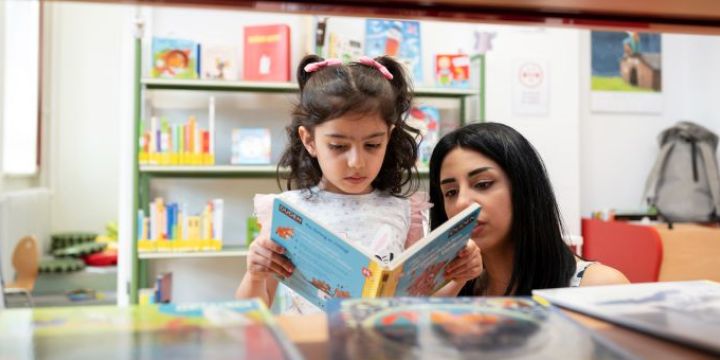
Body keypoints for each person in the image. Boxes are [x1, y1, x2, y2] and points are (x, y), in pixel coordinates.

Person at [235, 55, 482, 313]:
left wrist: (459, 276)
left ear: (389, 137)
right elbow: (250, 313)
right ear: (309, 140)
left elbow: (418, 306)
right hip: (312, 347)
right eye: (339, 146)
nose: (356, 162)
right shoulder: (287, 213)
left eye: (373, 145)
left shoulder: (405, 211)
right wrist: (255, 275)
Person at [428, 122, 629, 297]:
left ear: (524, 188)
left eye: (483, 184)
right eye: (451, 192)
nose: (462, 203)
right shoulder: (457, 290)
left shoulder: (599, 287)